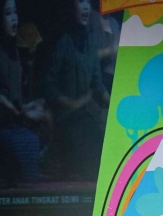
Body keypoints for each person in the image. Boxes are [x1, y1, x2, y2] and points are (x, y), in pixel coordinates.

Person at [0, 0, 44, 187]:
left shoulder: (15, 52)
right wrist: (5, 102)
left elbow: (17, 98)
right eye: (8, 13)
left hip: (14, 120)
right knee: (25, 141)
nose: (13, 18)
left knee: (37, 133)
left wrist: (28, 106)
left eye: (15, 12)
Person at [45, 0, 108, 181]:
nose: (86, 6)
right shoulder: (62, 43)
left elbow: (97, 82)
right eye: (80, 1)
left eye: (88, 1)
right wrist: (70, 103)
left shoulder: (92, 41)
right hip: (67, 118)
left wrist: (114, 104)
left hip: (87, 116)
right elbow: (48, 85)